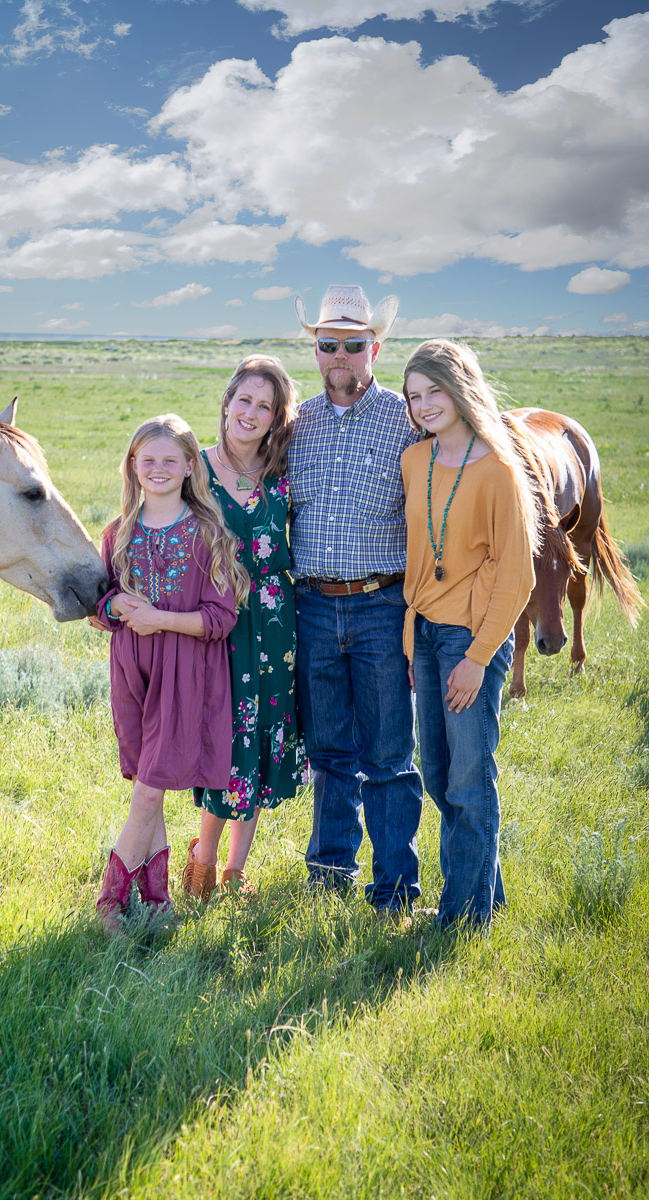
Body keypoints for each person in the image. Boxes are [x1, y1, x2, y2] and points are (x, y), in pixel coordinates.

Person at [289, 284, 424, 918]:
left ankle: (395, 887)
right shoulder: (297, 424)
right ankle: (328, 875)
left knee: (390, 752)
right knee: (328, 752)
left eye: (351, 343)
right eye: (326, 343)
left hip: (382, 603)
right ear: (315, 349)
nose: (338, 354)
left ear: (374, 346)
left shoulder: (408, 416)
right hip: (314, 605)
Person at [92, 414, 249, 934]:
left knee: (151, 789)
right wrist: (116, 608)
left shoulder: (207, 534)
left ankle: (109, 902)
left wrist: (160, 619)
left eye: (169, 460)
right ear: (133, 467)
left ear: (188, 467)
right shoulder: (118, 533)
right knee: (145, 783)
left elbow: (220, 618)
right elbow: (99, 608)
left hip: (184, 675)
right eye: (147, 459)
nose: (157, 468)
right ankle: (157, 900)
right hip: (131, 672)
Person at [401, 339, 539, 929]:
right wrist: (412, 643)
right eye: (414, 397)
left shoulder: (499, 470)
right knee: (437, 770)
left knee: (469, 776)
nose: (425, 405)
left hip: (471, 638)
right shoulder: (415, 461)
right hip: (426, 632)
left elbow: (519, 575)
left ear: (460, 390)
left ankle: (462, 917)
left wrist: (480, 657)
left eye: (434, 391)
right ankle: (489, 893)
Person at [184, 355, 307, 901]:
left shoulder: (284, 472)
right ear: (227, 403)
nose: (251, 413)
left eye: (265, 405)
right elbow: (146, 519)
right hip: (217, 624)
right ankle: (202, 863)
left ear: (277, 416)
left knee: (258, 742)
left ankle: (236, 871)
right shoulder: (195, 469)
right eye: (245, 400)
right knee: (224, 739)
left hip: (276, 625)